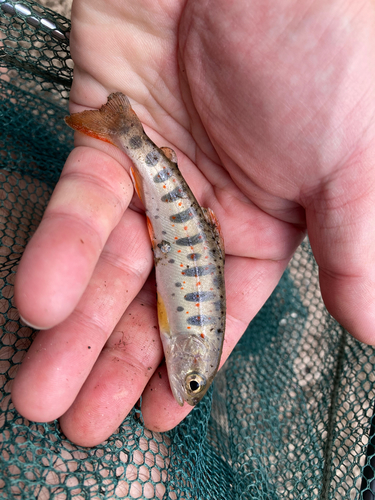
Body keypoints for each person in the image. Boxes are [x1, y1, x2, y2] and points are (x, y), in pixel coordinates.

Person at [11, 0, 375, 447]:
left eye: (193, 385)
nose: (185, 387)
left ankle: (127, 134)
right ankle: (126, 133)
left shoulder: (186, 341)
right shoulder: (190, 341)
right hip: (179, 228)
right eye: (193, 383)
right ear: (193, 357)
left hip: (182, 230)